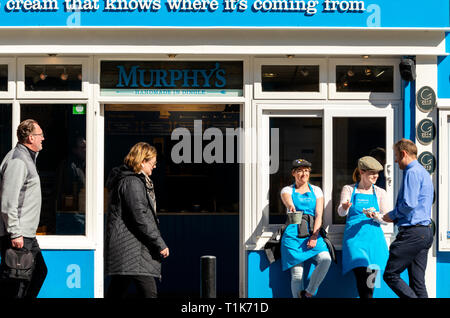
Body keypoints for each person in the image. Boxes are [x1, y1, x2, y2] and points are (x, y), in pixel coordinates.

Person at [105, 142, 169, 298]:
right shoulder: (133, 182)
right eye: (152, 163)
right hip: (133, 249)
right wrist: (159, 243)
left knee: (117, 290)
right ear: (142, 162)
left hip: (128, 249)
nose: (154, 167)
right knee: (149, 292)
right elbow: (140, 216)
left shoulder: (129, 180)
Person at [0, 119, 48, 298]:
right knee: (16, 284)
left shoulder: (26, 158)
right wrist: (15, 232)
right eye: (40, 135)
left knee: (38, 272)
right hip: (18, 234)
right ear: (30, 138)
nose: (43, 138)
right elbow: (8, 201)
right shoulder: (18, 160)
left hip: (27, 233)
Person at [382, 139, 434, 298]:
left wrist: (391, 216)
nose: (396, 160)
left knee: (390, 274)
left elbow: (409, 204)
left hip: (412, 233)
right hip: (424, 232)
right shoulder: (423, 172)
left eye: (396, 156)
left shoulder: (411, 172)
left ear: (403, 153)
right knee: (418, 284)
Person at [338, 156, 390, 298]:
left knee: (370, 284)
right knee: (362, 273)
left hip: (374, 241)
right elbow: (341, 212)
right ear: (361, 172)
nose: (375, 176)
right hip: (355, 241)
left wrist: (376, 216)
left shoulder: (380, 192)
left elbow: (386, 219)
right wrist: (344, 206)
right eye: (371, 173)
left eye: (377, 173)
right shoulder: (349, 189)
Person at [280, 159, 331, 298]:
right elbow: (287, 199)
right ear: (293, 173)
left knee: (325, 259)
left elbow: (319, 214)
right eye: (300, 170)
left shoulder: (316, 190)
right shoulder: (287, 190)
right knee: (297, 275)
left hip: (312, 232)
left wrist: (315, 236)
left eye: (307, 171)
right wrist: (291, 206)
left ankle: (309, 293)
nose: (304, 173)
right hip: (293, 235)